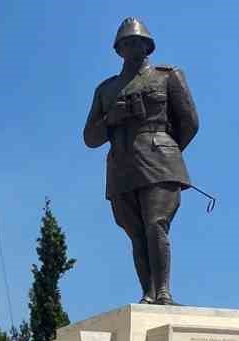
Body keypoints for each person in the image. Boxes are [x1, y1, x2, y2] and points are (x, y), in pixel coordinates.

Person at [82, 17, 200, 305]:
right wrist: (112, 119)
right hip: (122, 165)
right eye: (127, 43)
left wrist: (166, 147)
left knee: (156, 223)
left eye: (138, 42)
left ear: (148, 46)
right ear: (118, 49)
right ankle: (148, 291)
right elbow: (90, 137)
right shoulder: (106, 90)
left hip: (160, 160)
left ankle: (163, 291)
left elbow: (190, 122)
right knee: (136, 233)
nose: (133, 46)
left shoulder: (168, 76)